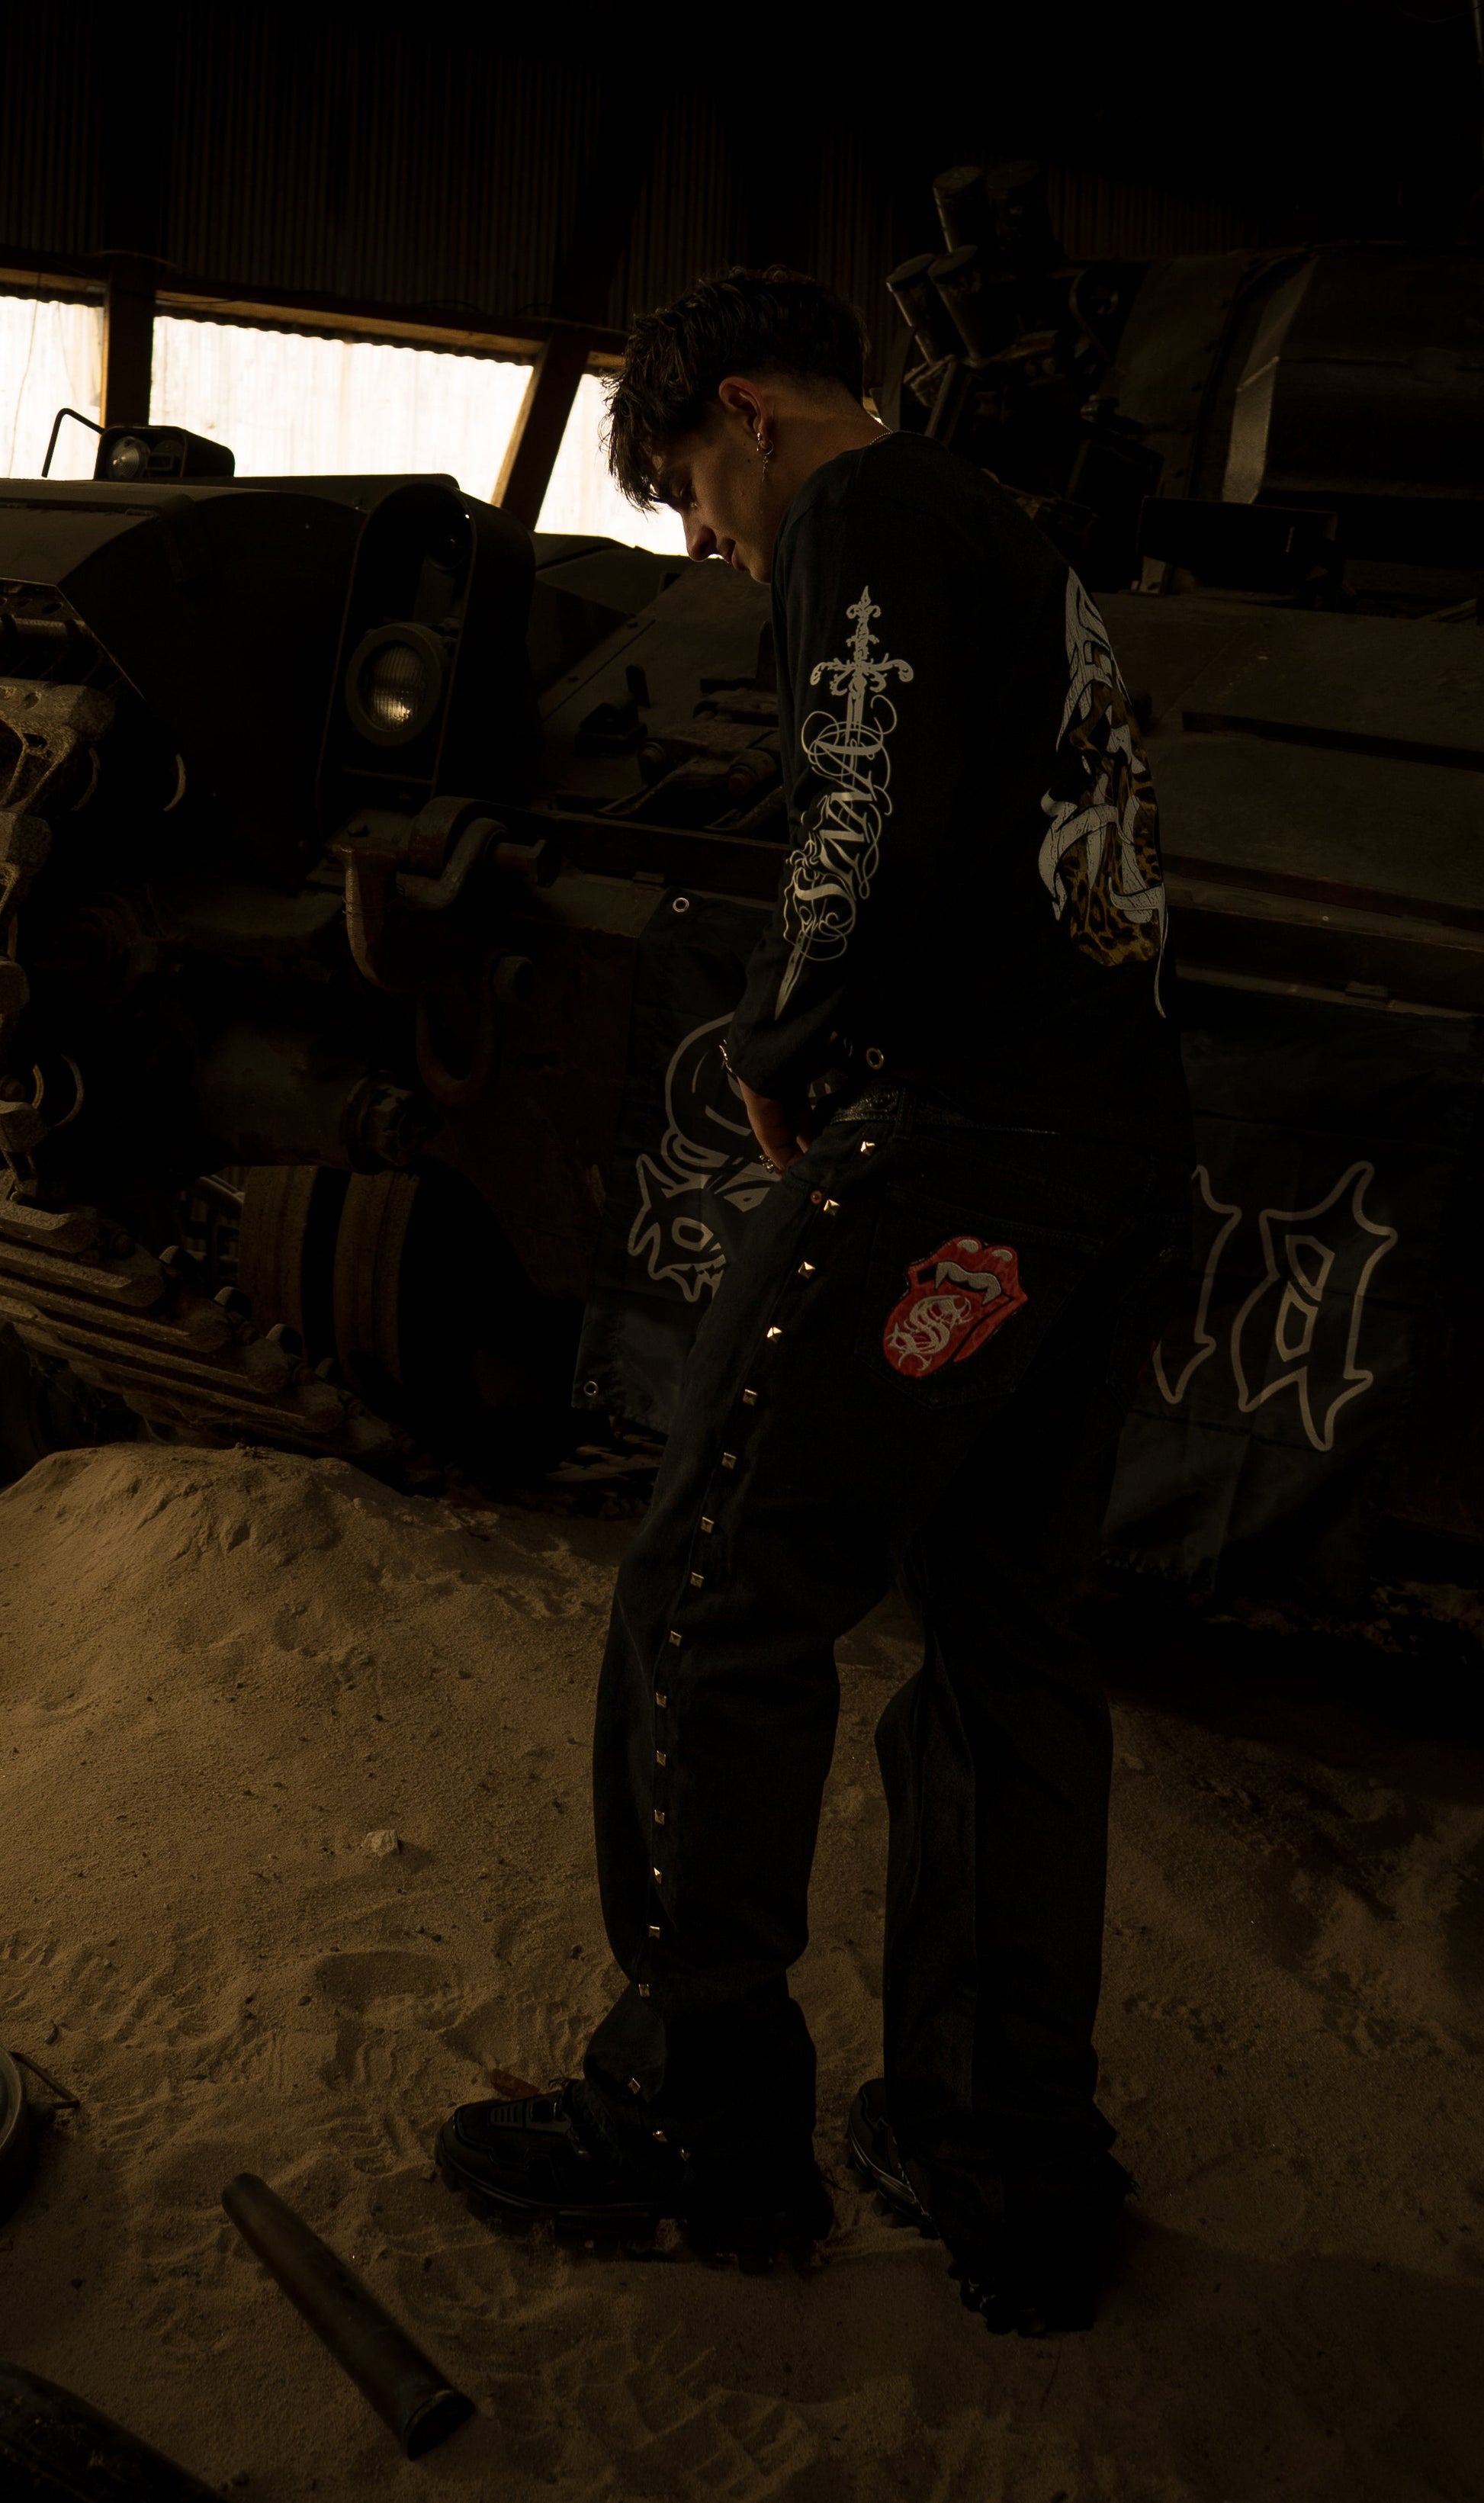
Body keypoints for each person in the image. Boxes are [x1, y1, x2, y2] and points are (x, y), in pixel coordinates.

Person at [437, 269, 1193, 2334]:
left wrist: (783, 1034)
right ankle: (1002, 2148)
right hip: (1108, 1146)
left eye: (694, 484)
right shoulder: (1006, 547)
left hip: (957, 1143)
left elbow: (860, 808)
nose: (707, 539)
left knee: (713, 1588)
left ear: (749, 413)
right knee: (1008, 1638)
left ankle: (694, 2114)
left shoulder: (864, 512)